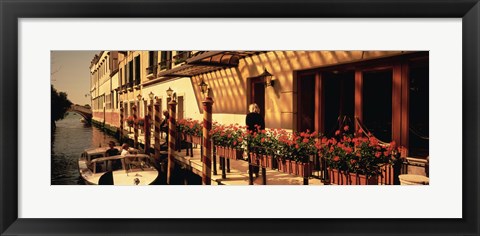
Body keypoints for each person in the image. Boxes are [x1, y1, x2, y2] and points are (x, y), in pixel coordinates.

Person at [245, 103, 265, 177]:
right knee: (257, 154)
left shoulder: (248, 116)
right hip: (259, 137)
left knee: (250, 153)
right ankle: (256, 171)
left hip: (251, 136)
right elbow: (263, 128)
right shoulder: (261, 116)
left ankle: (251, 169)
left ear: (251, 109)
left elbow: (247, 127)